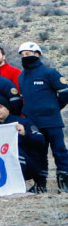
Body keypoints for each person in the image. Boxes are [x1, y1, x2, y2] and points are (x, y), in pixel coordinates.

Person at [17, 42, 68, 192]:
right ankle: (40, 185)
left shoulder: (50, 73)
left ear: (37, 54)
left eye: (28, 54)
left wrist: (53, 108)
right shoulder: (22, 77)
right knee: (39, 154)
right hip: (34, 123)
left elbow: (65, 93)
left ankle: (64, 184)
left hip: (52, 121)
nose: (25, 57)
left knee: (59, 151)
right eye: (22, 55)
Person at [0, 96, 46, 193]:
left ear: (7, 108)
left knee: (15, 153)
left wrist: (25, 134)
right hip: (2, 165)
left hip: (29, 163)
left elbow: (41, 141)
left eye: (0, 106)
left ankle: (18, 186)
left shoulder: (23, 122)